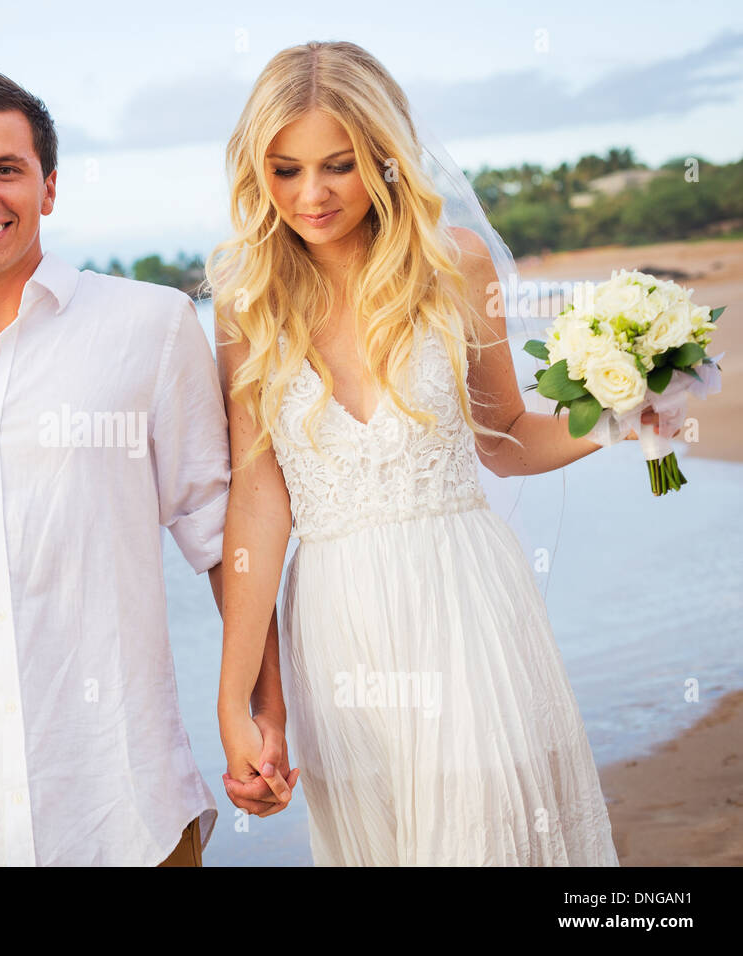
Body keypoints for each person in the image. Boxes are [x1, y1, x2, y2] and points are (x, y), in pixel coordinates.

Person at [209, 41, 658, 865]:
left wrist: (619, 416)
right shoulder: (248, 302)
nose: (311, 194)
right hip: (338, 623)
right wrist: (236, 697)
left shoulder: (456, 263)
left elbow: (508, 442)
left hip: (464, 597)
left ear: (383, 155)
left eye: (338, 165)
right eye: (285, 170)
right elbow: (258, 500)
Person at [0, 67, 294, 867]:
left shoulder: (148, 328)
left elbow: (225, 541)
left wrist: (266, 712)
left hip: (128, 809)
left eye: (4, 169)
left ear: (48, 187)